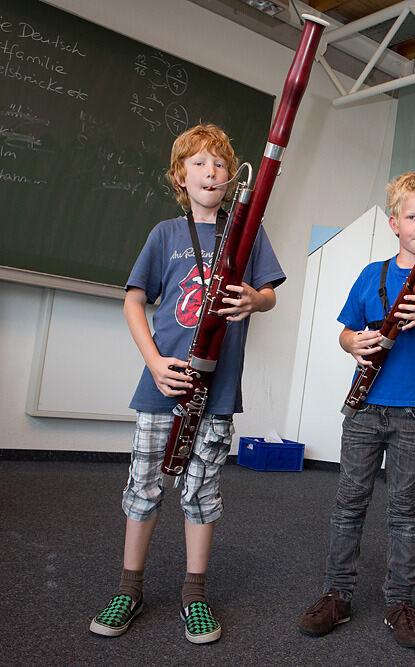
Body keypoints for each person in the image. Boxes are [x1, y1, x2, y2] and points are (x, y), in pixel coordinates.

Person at [89, 123, 285, 644]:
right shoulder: (165, 234)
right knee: (144, 486)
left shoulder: (249, 234)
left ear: (230, 178)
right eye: (198, 162)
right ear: (180, 176)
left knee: (202, 490)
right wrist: (154, 362)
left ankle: (194, 593)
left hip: (215, 392)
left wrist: (255, 300)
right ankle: (129, 588)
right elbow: (134, 300)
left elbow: (268, 294)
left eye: (220, 163)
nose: (212, 171)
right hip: (164, 384)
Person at [297, 172, 415, 649]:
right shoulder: (372, 275)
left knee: (404, 510)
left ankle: (399, 602)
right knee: (349, 503)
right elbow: (345, 333)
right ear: (394, 222)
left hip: (414, 413)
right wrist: (355, 342)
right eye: (412, 216)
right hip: (365, 408)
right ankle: (338, 594)